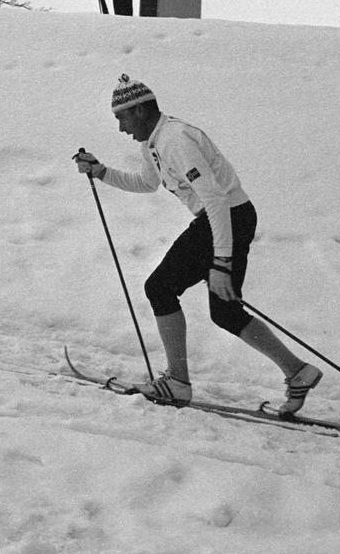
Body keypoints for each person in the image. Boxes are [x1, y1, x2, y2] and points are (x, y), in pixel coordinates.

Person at [73, 74, 322, 411]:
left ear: (141, 110)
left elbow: (216, 200)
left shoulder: (175, 140)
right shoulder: (152, 144)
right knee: (226, 312)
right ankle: (298, 372)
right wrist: (101, 171)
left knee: (160, 288)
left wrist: (221, 263)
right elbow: (146, 183)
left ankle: (177, 383)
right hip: (228, 218)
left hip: (226, 217)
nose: (121, 128)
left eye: (122, 118)